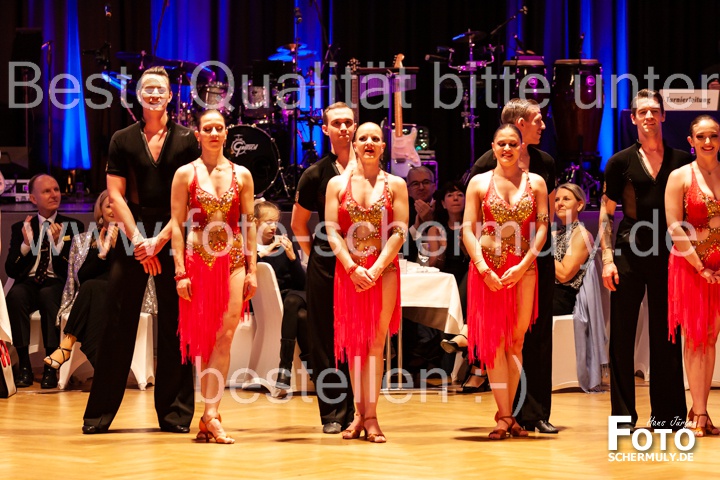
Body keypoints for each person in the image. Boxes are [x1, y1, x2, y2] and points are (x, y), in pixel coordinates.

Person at [82, 66, 199, 434]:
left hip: (172, 232)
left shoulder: (187, 140)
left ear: (170, 96)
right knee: (117, 323)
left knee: (175, 324)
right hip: (132, 233)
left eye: (160, 89)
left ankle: (175, 414)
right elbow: (115, 195)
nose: (154, 94)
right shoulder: (122, 138)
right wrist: (138, 242)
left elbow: (189, 200)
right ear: (138, 95)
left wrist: (158, 242)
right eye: (147, 88)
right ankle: (99, 415)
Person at [466, 98, 558, 434]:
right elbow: (467, 229)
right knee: (495, 342)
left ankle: (514, 414)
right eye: (501, 144)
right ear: (494, 147)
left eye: (512, 144)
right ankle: (505, 415)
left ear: (521, 147)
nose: (507, 149)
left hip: (525, 270)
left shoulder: (537, 182)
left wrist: (525, 264)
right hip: (488, 271)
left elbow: (543, 227)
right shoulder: (479, 181)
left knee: (516, 342)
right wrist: (483, 267)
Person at [601, 89, 690, 430]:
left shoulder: (682, 160)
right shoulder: (619, 162)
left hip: (670, 253)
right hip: (628, 252)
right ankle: (623, 418)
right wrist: (607, 258)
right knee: (622, 336)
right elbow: (607, 214)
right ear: (633, 118)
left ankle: (668, 417)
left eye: (654, 110)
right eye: (643, 112)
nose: (649, 116)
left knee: (667, 334)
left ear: (663, 116)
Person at [170, 108, 257, 444]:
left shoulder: (242, 174)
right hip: (197, 263)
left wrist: (252, 270)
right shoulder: (185, 174)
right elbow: (176, 224)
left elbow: (249, 224)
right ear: (198, 134)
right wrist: (180, 272)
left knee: (225, 336)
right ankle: (209, 414)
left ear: (226, 133)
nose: (214, 133)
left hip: (233, 262)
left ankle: (211, 413)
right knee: (205, 340)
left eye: (219, 128)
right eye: (207, 128)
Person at [325, 122, 409, 443]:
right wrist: (351, 267)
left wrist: (375, 268)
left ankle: (371, 416)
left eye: (376, 138)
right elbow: (331, 229)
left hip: (383, 272)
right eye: (364, 138)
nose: (370, 142)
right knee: (354, 344)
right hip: (349, 273)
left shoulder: (396, 184)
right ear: (355, 145)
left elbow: (399, 230)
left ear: (383, 146)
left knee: (374, 343)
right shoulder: (337, 184)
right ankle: (359, 414)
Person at [291, 102, 356, 434]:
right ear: (326, 129)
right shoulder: (315, 173)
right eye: (337, 123)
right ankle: (332, 412)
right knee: (324, 337)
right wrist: (315, 256)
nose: (344, 128)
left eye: (349, 122)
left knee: (358, 335)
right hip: (326, 264)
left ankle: (359, 412)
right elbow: (298, 223)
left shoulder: (371, 169)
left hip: (363, 263)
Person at [44, 191, 156, 370]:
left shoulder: (137, 239)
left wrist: (116, 249)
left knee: (93, 288)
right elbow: (81, 277)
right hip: (95, 296)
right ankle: (100, 362)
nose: (113, 209)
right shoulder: (84, 239)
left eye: (118, 205)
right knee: (92, 288)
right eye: (109, 206)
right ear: (100, 211)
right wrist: (102, 254)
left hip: (125, 294)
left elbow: (133, 275)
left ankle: (67, 344)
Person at [666, 115, 720, 437]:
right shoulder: (680, 177)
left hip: (719, 269)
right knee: (696, 338)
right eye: (701, 137)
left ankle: (702, 410)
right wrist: (700, 266)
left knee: (710, 338)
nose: (708, 142)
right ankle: (697, 411)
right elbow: (675, 226)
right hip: (691, 266)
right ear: (691, 141)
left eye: (713, 135)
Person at [5, 174, 84, 389]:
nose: (54, 194)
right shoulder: (21, 227)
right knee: (16, 295)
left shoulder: (73, 226)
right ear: (33, 198)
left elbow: (75, 270)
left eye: (56, 189)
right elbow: (11, 269)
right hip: (29, 282)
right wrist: (25, 245)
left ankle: (51, 366)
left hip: (57, 282)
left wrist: (58, 247)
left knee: (48, 295)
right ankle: (24, 366)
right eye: (47, 191)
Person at [254, 201, 308, 391]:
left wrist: (293, 258)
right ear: (255, 222)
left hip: (297, 296)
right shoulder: (249, 249)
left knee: (293, 300)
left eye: (275, 222)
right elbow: (246, 270)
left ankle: (285, 368)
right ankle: (313, 368)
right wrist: (265, 252)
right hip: (275, 303)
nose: (273, 226)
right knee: (302, 316)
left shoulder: (284, 245)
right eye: (268, 222)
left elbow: (302, 284)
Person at [553, 183, 593, 315]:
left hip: (562, 297)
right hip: (547, 291)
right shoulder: (555, 233)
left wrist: (539, 251)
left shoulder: (582, 235)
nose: (560, 203)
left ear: (579, 205)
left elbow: (564, 275)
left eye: (566, 199)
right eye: (556, 199)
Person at [406, 166, 437, 262]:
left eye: (426, 182)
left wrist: (430, 222)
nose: (421, 187)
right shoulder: (404, 211)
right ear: (408, 191)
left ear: (434, 187)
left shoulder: (445, 206)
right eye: (415, 184)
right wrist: (415, 228)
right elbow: (402, 251)